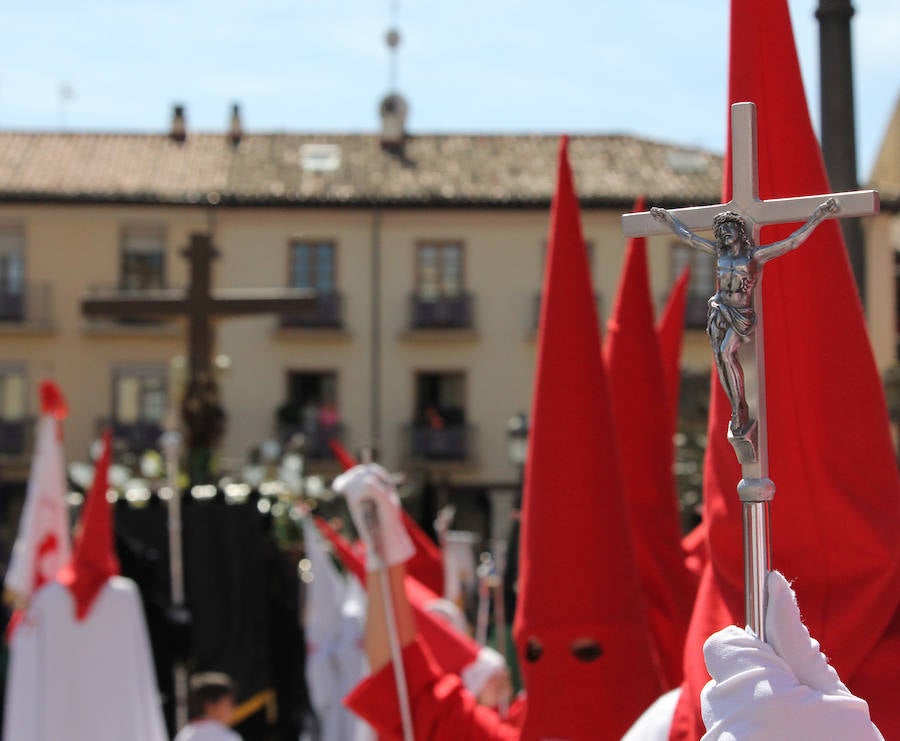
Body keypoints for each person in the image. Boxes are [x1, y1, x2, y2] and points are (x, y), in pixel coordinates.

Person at [650, 198, 837, 439]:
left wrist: (818, 216)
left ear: (739, 231)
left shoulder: (753, 257)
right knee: (720, 360)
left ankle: (740, 409)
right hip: (719, 309)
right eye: (721, 231)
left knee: (728, 353)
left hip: (741, 315)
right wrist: (669, 221)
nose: (725, 234)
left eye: (729, 229)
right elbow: (690, 238)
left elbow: (791, 242)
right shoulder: (719, 252)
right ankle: (736, 407)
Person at [174, 672, 242, 741]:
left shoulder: (183, 736)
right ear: (210, 706)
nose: (232, 709)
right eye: (228, 704)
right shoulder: (229, 737)